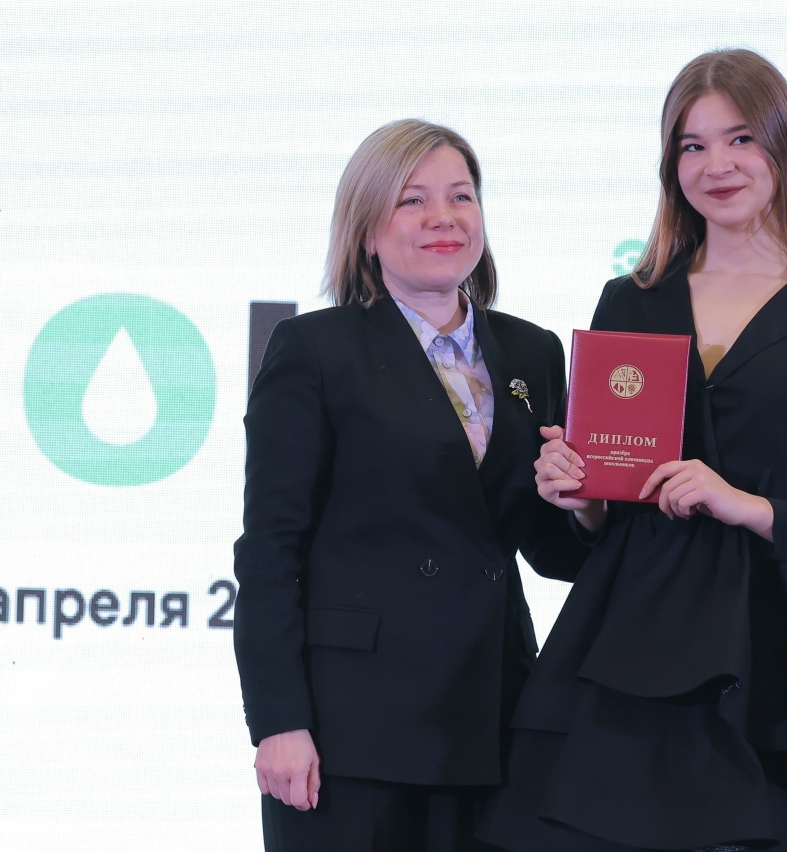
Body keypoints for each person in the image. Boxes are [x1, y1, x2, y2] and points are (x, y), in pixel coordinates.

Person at [479, 49, 787, 851]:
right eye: (692, 146)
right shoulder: (631, 300)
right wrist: (580, 497)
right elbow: (598, 528)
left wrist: (748, 507)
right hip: (634, 647)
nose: (716, 165)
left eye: (740, 139)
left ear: (782, 149)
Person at [233, 119, 591, 852]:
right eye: (412, 200)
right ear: (367, 229)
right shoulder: (315, 350)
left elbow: (552, 551)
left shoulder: (533, 351)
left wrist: (584, 508)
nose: (443, 218)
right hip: (350, 728)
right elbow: (270, 549)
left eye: (461, 196)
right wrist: (278, 721)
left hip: (493, 714)